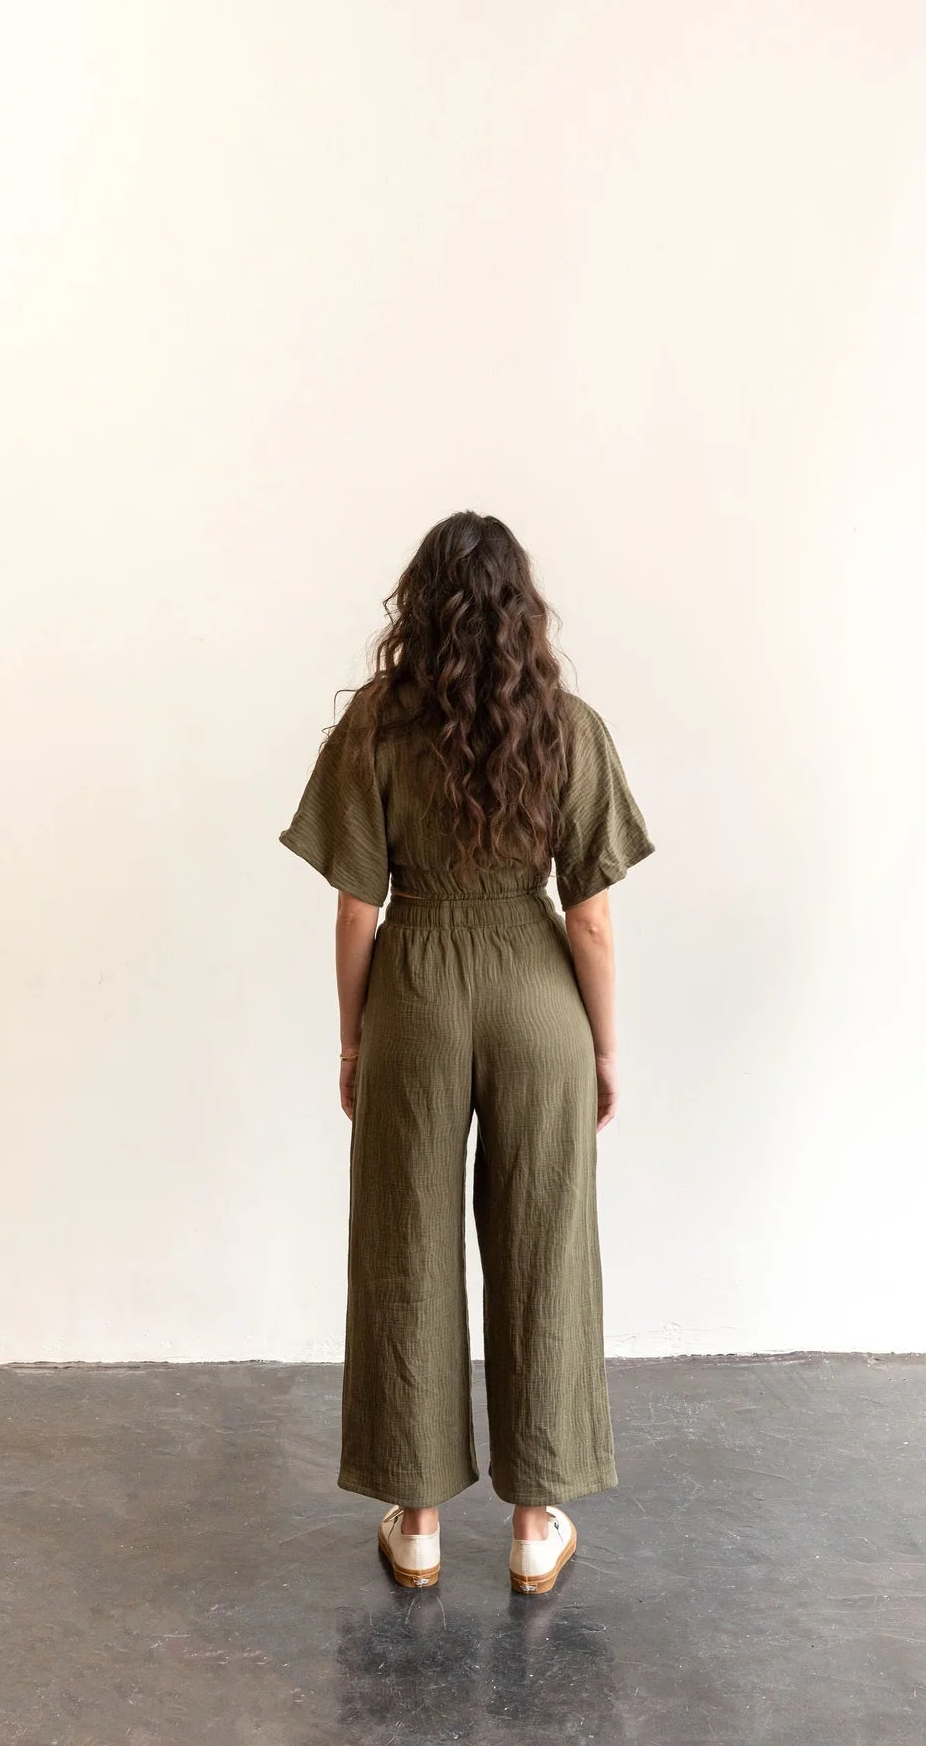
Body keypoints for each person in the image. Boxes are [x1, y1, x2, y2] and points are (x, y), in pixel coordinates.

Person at [279, 511, 655, 1595]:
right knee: (544, 1240)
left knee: (406, 1239)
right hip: (539, 998)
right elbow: (590, 916)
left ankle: (419, 1524)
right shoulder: (568, 727)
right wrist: (604, 1047)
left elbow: (356, 908)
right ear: (522, 613)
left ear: (420, 608)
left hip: (417, 995)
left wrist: (353, 1036)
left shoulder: (376, 729)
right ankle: (536, 1526)